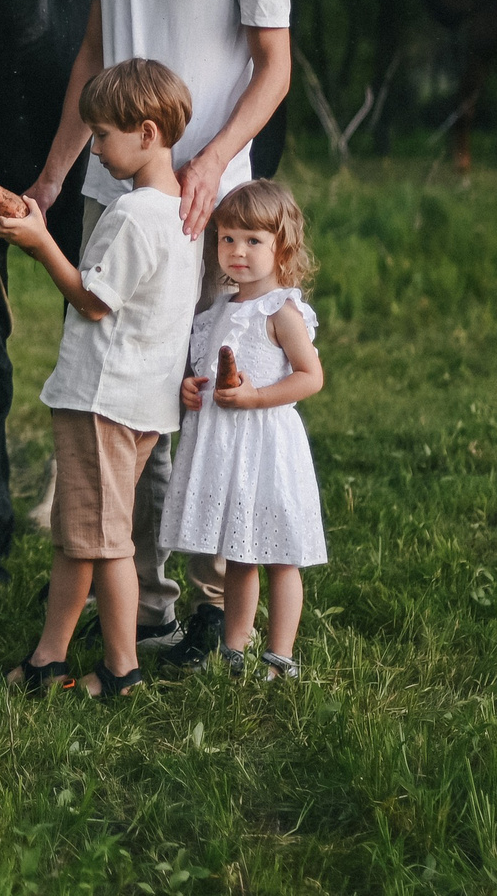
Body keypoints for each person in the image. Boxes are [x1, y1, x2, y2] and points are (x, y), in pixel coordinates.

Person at [26, 0, 292, 672]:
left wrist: (215, 161)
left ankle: (214, 600)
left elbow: (274, 67)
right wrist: (58, 171)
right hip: (115, 195)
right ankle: (142, 605)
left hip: (209, 207)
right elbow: (93, 58)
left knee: (201, 398)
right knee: (118, 392)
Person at [0, 59, 199, 701]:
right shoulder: (181, 214)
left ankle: (121, 670)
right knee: (80, 536)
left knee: (106, 543)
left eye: (103, 136)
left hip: (101, 401)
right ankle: (48, 659)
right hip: (139, 403)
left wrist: (38, 241)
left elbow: (92, 300)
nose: (98, 150)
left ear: (146, 132)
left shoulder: (134, 216)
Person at [159, 180, 327, 680]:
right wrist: (192, 390)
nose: (237, 252)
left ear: (282, 247)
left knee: (280, 557)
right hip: (226, 449)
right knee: (237, 551)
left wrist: (255, 397)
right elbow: (207, 375)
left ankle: (280, 656)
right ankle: (234, 650)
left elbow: (310, 376)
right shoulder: (216, 314)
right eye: (227, 239)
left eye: (253, 241)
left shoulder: (282, 311)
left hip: (266, 446)